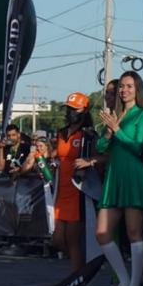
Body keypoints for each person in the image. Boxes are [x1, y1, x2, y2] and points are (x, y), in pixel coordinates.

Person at [85, 71, 143, 286]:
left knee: (134, 232)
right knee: (102, 232)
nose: (124, 91)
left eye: (129, 86)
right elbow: (103, 146)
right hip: (114, 176)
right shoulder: (116, 114)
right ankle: (124, 284)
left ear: (137, 90)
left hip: (132, 175)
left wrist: (117, 130)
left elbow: (138, 146)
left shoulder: (142, 114)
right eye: (122, 87)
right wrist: (108, 131)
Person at [47, 92, 94, 276]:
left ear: (84, 110)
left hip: (77, 190)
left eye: (75, 109)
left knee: (72, 239)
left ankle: (77, 276)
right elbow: (57, 155)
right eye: (69, 108)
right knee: (58, 239)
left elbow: (93, 157)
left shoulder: (87, 134)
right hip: (61, 189)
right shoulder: (61, 132)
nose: (71, 112)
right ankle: (81, 268)